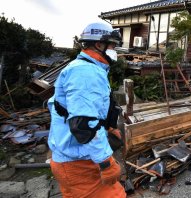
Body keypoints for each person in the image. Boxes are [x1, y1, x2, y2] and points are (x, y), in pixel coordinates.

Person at [47, 22, 126, 197]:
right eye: (112, 45)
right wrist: (106, 162)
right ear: (99, 44)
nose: (115, 50)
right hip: (77, 164)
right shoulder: (85, 73)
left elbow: (89, 110)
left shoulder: (86, 68)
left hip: (77, 158)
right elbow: (84, 125)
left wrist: (109, 127)